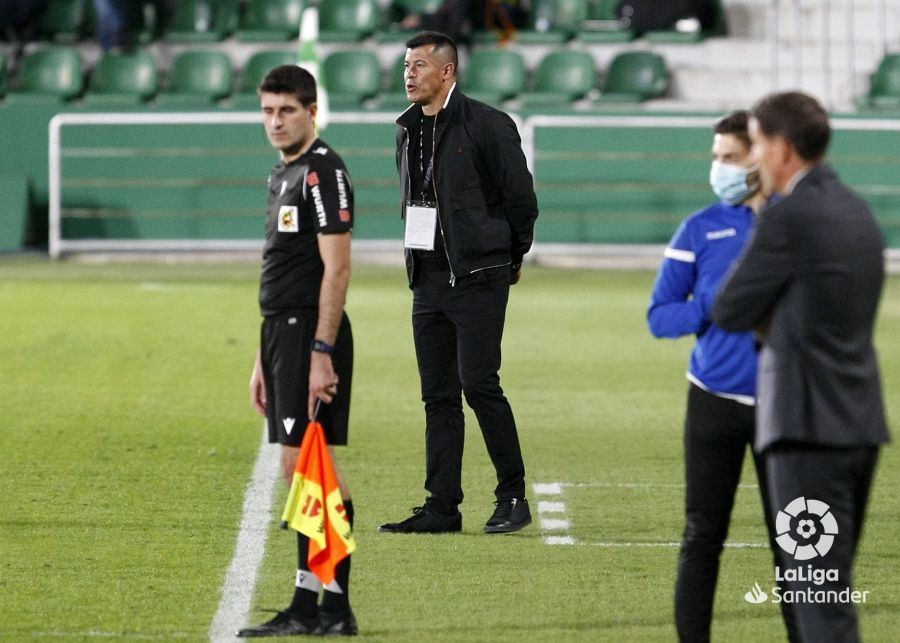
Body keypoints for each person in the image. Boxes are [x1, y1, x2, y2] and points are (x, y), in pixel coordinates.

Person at [713, 91, 890, 643]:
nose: (754, 159)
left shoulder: (788, 217)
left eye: (759, 144)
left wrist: (764, 211)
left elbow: (729, 308)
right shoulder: (857, 208)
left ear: (783, 148)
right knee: (829, 593)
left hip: (805, 428)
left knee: (816, 598)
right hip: (858, 423)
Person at [378, 31, 539, 535]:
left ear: (447, 72)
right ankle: (442, 506)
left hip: (478, 276)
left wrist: (509, 256)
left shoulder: (489, 125)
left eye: (420, 65)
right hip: (427, 279)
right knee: (438, 395)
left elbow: (521, 200)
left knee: (479, 385)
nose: (409, 74)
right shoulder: (405, 129)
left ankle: (512, 496)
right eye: (407, 65)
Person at [237, 65, 358, 638]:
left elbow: (337, 270)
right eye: (267, 111)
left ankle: (329, 607)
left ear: (311, 111)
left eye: (286, 110)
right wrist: (265, 355)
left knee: (311, 470)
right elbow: (281, 270)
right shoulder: (282, 174)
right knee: (304, 470)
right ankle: (316, 607)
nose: (275, 121)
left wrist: (319, 351)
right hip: (281, 334)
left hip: (307, 333)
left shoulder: (323, 172)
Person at [648, 111, 774, 642]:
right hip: (713, 401)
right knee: (703, 534)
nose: (718, 168)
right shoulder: (699, 228)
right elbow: (660, 317)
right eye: (715, 157)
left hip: (785, 404)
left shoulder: (793, 224)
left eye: (729, 157)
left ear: (759, 157)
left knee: (799, 538)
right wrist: (707, 309)